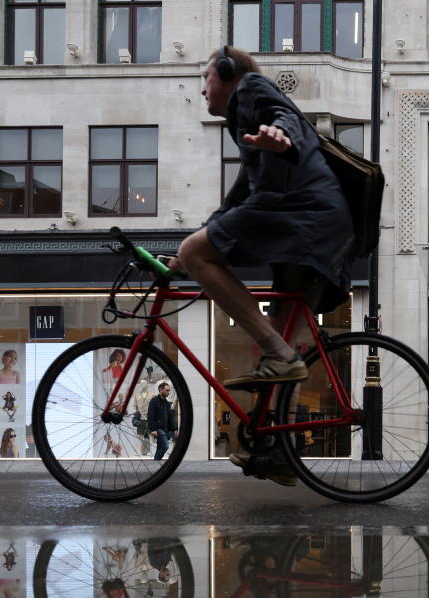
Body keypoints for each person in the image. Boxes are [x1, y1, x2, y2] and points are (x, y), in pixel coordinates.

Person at [167, 46, 354, 486]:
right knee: (285, 341)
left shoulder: (251, 91)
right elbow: (239, 196)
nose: (202, 87)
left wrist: (278, 136)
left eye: (207, 77)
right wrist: (194, 243)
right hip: (316, 225)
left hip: (304, 217)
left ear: (229, 73)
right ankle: (282, 455)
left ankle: (277, 353)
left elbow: (282, 116)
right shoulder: (243, 126)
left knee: (203, 257)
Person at [148, 381, 178, 461]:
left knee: (159, 447)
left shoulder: (166, 403)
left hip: (165, 429)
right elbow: (151, 415)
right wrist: (153, 429)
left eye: (169, 390)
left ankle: (156, 462)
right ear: (161, 390)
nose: (168, 392)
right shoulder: (154, 401)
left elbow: (170, 417)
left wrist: (174, 429)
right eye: (167, 390)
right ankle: (157, 460)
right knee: (165, 446)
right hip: (158, 429)